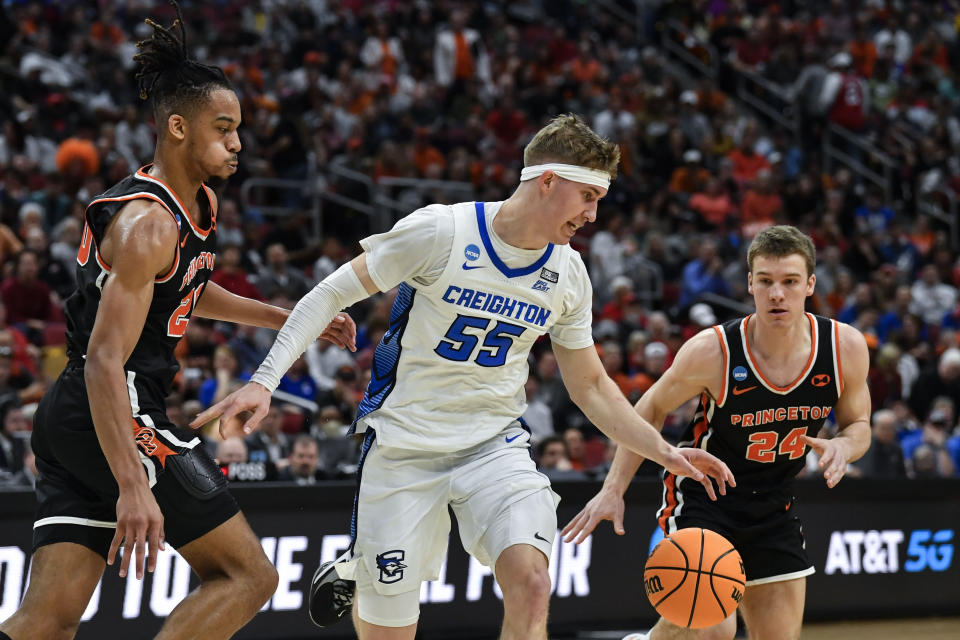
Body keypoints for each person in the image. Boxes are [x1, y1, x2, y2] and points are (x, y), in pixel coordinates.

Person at [194, 114, 734, 640]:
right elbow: (331, 292)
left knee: (532, 581)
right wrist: (265, 379)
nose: (593, 215)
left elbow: (590, 386)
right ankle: (363, 566)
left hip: (492, 445)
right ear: (548, 182)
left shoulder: (568, 273)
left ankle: (363, 564)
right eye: (588, 197)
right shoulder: (442, 231)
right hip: (405, 446)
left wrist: (664, 451)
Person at [0, 5, 355, 640]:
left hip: (78, 413)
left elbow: (189, 289)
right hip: (115, 406)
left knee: (47, 622)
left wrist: (291, 317)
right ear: (178, 128)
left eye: (239, 128)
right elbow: (109, 360)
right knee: (248, 577)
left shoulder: (196, 206)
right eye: (224, 128)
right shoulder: (150, 225)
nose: (238, 142)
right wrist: (133, 485)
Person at [563, 225, 871, 640]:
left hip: (774, 506)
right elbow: (650, 407)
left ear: (810, 284)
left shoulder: (844, 348)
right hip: (707, 497)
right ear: (750, 283)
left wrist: (844, 446)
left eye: (789, 282)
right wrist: (614, 487)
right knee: (711, 629)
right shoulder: (715, 351)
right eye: (765, 281)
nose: (777, 293)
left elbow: (860, 424)